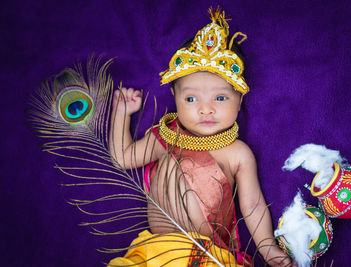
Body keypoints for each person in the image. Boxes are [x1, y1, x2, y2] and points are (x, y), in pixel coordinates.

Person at [108, 8, 294, 267]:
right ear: (174, 97)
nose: (206, 109)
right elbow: (123, 157)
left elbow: (252, 205)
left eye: (220, 98)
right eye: (191, 98)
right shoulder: (164, 137)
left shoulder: (238, 153)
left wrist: (268, 249)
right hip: (158, 254)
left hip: (207, 256)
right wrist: (122, 114)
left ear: (239, 101)